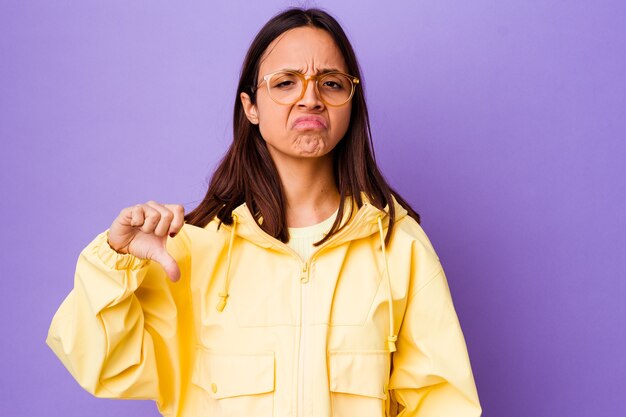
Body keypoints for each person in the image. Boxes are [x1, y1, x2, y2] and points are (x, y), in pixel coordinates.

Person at [46, 7, 482, 417]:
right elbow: (102, 365)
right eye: (286, 82)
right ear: (250, 106)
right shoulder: (192, 249)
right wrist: (117, 258)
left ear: (350, 102)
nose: (311, 98)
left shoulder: (397, 247)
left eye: (331, 83)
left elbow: (444, 404)